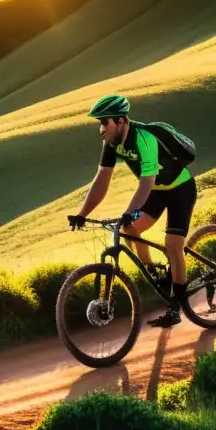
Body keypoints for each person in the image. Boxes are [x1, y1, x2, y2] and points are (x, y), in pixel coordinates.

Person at [67, 94, 198, 328]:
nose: (101, 129)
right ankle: (156, 273)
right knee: (129, 228)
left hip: (180, 189)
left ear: (119, 121)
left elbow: (146, 182)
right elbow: (102, 181)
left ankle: (178, 306)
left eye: (104, 122)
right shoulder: (111, 144)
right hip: (156, 193)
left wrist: (130, 209)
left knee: (173, 244)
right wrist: (82, 213)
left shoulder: (143, 138)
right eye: (100, 123)